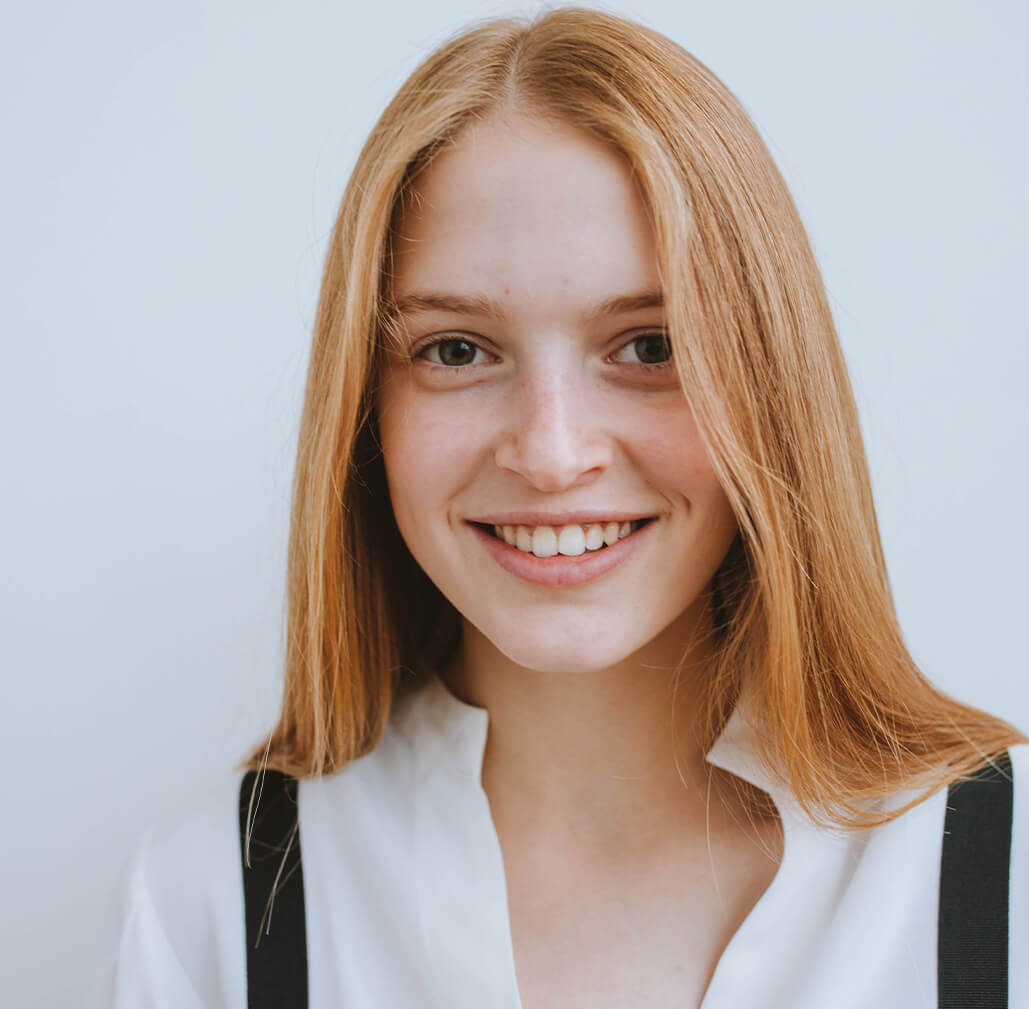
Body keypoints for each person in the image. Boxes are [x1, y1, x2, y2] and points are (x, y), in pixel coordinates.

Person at [102, 7, 1027, 1008]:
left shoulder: (1002, 875)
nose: (550, 454)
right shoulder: (214, 907)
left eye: (650, 346)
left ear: (771, 386)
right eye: (457, 349)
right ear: (365, 408)